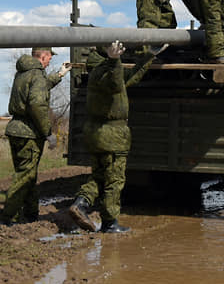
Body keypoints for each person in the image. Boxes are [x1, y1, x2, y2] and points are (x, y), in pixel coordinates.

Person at [68, 41, 165, 233]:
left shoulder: (100, 70)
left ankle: (81, 204)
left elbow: (129, 78)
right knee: (114, 180)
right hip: (111, 135)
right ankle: (110, 223)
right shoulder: (104, 71)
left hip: (99, 134)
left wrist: (149, 56)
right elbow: (114, 82)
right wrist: (114, 61)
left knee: (100, 177)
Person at [0, 47, 72, 226]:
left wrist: (60, 74)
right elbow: (37, 104)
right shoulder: (36, 75)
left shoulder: (23, 73)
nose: (50, 61)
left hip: (16, 129)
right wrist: (47, 133)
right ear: (43, 55)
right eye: (49, 58)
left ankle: (30, 214)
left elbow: (41, 87)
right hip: (29, 133)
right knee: (25, 176)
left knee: (28, 175)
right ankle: (6, 217)